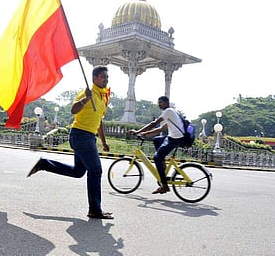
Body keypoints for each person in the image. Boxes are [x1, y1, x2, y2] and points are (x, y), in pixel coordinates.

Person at [27, 66, 113, 219]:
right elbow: (74, 110)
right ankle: (95, 209)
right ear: (94, 78)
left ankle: (44, 164)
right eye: (103, 77)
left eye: (107, 77)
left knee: (78, 172)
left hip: (89, 137)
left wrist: (104, 142)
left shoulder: (102, 96)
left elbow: (99, 121)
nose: (106, 80)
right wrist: (85, 99)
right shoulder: (88, 93)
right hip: (81, 136)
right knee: (96, 170)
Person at [128, 96, 185, 194]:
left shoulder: (168, 111)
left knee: (157, 158)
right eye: (158, 103)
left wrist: (138, 131)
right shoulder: (171, 112)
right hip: (174, 136)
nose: (159, 104)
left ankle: (164, 185)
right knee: (157, 140)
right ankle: (162, 162)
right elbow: (160, 129)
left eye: (161, 102)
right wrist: (145, 134)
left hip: (175, 138)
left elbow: (154, 123)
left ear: (167, 102)